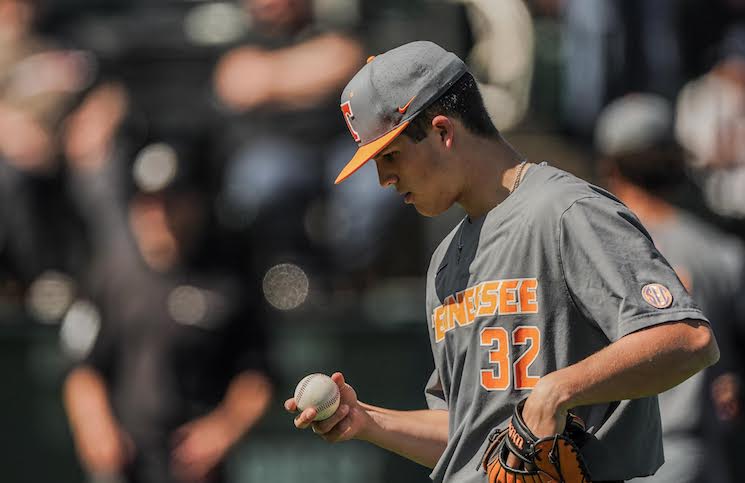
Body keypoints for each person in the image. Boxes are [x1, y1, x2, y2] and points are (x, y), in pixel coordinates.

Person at [284, 41, 720, 483]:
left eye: (390, 156)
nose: (383, 179)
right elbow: (470, 437)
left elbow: (686, 338)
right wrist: (368, 421)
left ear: (442, 131)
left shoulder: (565, 211)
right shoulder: (444, 262)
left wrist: (556, 390)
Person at [63, 174, 273, 483]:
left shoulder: (227, 278)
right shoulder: (109, 275)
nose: (159, 214)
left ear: (196, 204)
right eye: (149, 203)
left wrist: (224, 427)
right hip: (125, 460)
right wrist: (95, 427)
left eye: (171, 202)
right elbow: (81, 369)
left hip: (195, 464)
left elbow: (257, 373)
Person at [596, 93, 745, 483]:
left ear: (611, 167)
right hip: (694, 455)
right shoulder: (719, 253)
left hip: (611, 456)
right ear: (677, 162)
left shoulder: (590, 249)